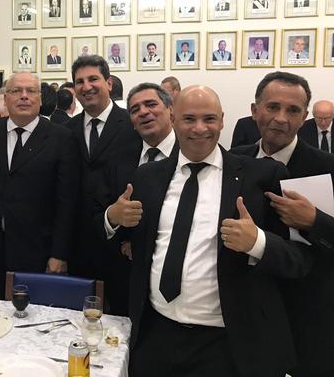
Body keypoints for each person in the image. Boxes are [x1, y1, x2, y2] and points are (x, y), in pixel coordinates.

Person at [125, 85, 311, 377]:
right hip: (155, 334)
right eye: (189, 119)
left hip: (226, 343)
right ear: (173, 119)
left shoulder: (262, 176)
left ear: (222, 120)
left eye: (209, 119)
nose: (200, 128)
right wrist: (114, 220)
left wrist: (258, 242)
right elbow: (135, 244)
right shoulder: (148, 176)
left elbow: (300, 259)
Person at [231, 72, 334, 376]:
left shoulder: (327, 167)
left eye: (292, 110)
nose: (281, 118)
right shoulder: (234, 160)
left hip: (305, 309)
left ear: (305, 117)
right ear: (255, 110)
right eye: (272, 107)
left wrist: (314, 221)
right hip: (243, 305)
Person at [0, 72, 80, 298]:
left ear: (40, 98)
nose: (23, 96)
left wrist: (59, 254)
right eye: (16, 91)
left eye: (30, 91)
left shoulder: (61, 138)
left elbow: (67, 201)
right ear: (5, 99)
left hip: (38, 253)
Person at [65, 56, 141, 313]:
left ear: (109, 83)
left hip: (121, 248)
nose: (86, 87)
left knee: (122, 321)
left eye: (93, 79)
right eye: (80, 82)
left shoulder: (133, 126)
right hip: (78, 249)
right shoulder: (66, 130)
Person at [100, 83, 176, 314]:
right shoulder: (118, 159)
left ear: (171, 110)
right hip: (126, 280)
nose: (143, 112)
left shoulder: (192, 154)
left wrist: (144, 245)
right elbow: (99, 211)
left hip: (176, 282)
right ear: (132, 122)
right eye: (135, 109)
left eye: (151, 104)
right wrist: (112, 217)